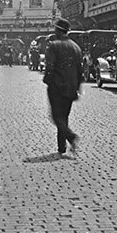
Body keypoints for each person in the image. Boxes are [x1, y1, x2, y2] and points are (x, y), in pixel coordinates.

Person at [43, 18, 83, 155]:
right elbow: (80, 70)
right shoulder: (76, 47)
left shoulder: (53, 46)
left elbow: (50, 67)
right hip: (71, 87)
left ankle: (71, 136)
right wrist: (77, 87)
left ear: (58, 31)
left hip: (56, 86)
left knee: (56, 117)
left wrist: (47, 81)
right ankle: (61, 147)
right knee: (64, 116)